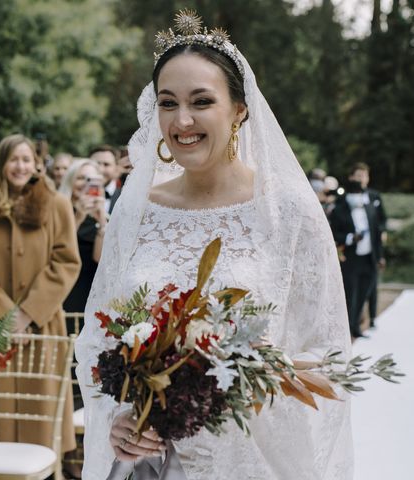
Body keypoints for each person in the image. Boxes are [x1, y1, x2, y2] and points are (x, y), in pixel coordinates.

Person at [75, 10, 352, 480]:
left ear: (240, 110)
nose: (182, 120)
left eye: (201, 101)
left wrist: (247, 374)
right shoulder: (136, 210)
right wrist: (118, 419)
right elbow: (98, 342)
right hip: (146, 464)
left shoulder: (287, 211)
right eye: (168, 103)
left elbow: (329, 353)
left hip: (249, 462)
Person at [0, 134, 81, 475]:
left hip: (41, 327)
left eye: (26, 159)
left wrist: (27, 315)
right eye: (13, 159)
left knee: (38, 421)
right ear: (0, 164)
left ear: (36, 164)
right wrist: (4, 319)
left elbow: (66, 262)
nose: (20, 166)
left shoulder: (55, 204)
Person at [330, 174, 384, 339]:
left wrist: (380, 257)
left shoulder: (369, 209)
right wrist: (349, 238)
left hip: (368, 258)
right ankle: (345, 329)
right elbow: (334, 233)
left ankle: (356, 327)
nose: (356, 197)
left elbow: (376, 234)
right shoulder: (339, 211)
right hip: (351, 259)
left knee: (364, 292)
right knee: (350, 293)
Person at [59, 159, 107, 315]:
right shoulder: (58, 210)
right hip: (63, 286)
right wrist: (79, 216)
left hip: (90, 290)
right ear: (70, 180)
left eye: (91, 180)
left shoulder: (104, 217)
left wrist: (101, 222)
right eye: (80, 178)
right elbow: (60, 249)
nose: (85, 184)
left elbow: (99, 259)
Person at [348, 162, 386, 329]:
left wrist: (381, 252)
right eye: (358, 176)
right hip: (353, 252)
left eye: (364, 176)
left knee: (370, 287)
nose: (361, 179)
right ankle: (353, 325)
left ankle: (369, 319)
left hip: (371, 249)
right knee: (353, 290)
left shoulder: (374, 197)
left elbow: (381, 222)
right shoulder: (346, 199)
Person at [90, 145, 121, 213]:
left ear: (116, 168)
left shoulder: (125, 196)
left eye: (106, 164)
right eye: (96, 163)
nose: (100, 169)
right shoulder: (75, 194)